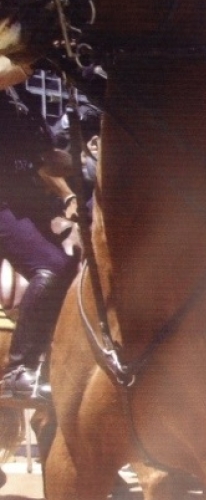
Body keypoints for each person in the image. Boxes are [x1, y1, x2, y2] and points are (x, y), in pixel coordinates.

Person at [0, 58, 79, 406]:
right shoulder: (11, 72)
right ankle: (18, 369)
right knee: (51, 266)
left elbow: (48, 161)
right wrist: (41, 47)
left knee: (69, 267)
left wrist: (62, 165)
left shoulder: (24, 95)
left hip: (25, 202)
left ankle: (46, 361)